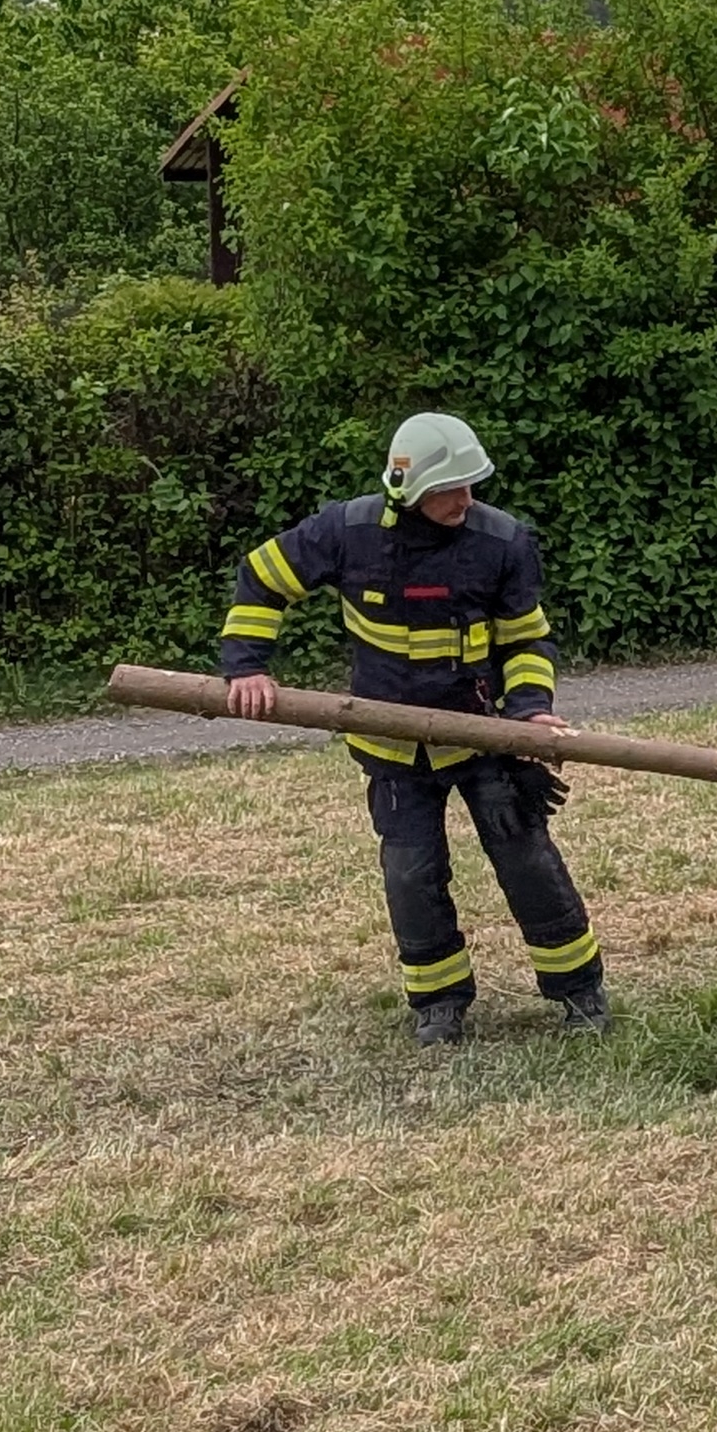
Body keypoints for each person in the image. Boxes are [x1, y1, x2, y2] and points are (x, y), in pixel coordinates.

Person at [217, 412, 607, 1046]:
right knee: (412, 875)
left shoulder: (503, 542)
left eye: (471, 484)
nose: (465, 499)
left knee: (526, 858)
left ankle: (579, 990)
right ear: (409, 487)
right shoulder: (347, 532)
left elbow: (526, 640)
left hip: (486, 740)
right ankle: (438, 1003)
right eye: (450, 488)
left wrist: (530, 708)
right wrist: (247, 666)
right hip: (392, 749)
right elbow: (263, 577)